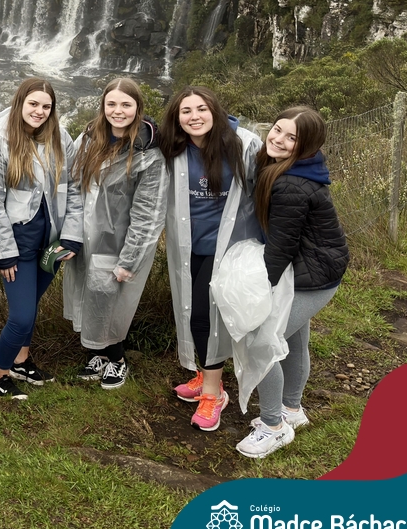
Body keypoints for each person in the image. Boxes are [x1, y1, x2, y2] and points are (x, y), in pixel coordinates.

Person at [236, 107, 349, 458]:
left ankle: (273, 426)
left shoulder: (290, 184)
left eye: (292, 138)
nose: (279, 139)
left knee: (262, 342)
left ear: (307, 145)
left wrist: (262, 291)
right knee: (294, 340)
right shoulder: (298, 167)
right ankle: (292, 409)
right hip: (319, 267)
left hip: (312, 275)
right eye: (277, 130)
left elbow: (281, 247)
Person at [158, 85, 262, 432]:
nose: (194, 117)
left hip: (228, 250)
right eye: (186, 111)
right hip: (190, 247)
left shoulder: (243, 144)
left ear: (215, 111)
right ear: (177, 119)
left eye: (201, 109)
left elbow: (267, 187)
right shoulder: (173, 148)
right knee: (192, 315)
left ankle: (214, 394)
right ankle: (205, 375)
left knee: (206, 316)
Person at [61, 78, 165, 390]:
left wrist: (130, 258)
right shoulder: (89, 138)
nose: (118, 111)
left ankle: (117, 359)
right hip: (86, 236)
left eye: (125, 104)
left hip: (120, 242)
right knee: (91, 295)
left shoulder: (149, 152)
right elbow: (74, 186)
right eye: (111, 104)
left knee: (113, 299)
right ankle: (98, 354)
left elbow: (148, 212)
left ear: (138, 108)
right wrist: (71, 234)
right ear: (103, 106)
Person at [0, 78, 74, 399]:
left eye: (46, 106)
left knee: (30, 307)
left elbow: (75, 189)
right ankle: (0, 376)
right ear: (20, 102)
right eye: (33, 104)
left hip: (52, 243)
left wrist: (71, 237)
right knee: (20, 317)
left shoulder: (61, 138)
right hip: (18, 245)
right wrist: (3, 253)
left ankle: (21, 362)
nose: (39, 111)